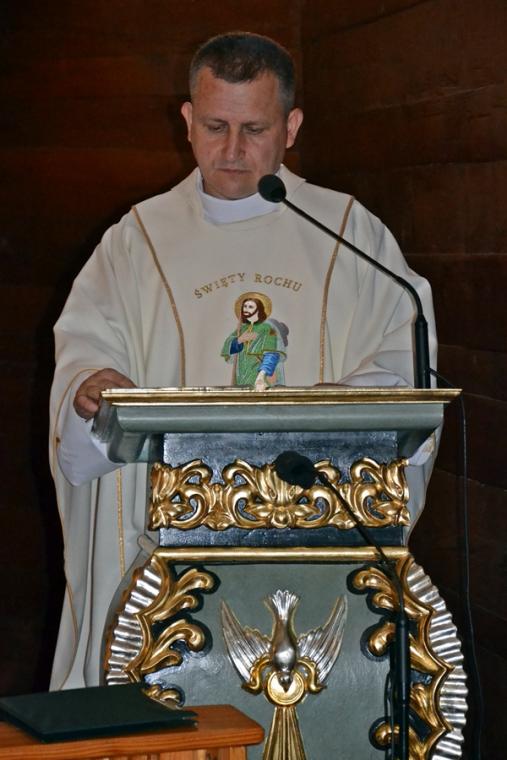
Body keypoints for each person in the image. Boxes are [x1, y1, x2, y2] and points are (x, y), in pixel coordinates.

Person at [49, 31, 437, 690]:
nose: (231, 151)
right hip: (170, 553)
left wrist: (344, 407)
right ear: (186, 120)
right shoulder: (135, 242)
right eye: (214, 126)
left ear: (291, 127)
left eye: (253, 129)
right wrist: (90, 386)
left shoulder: (348, 232)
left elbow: (405, 355)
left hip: (312, 537)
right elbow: (87, 352)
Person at [221, 292, 287, 387]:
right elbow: (228, 349)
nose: (246, 309)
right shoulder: (241, 329)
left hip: (260, 378)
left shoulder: (267, 328)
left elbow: (272, 354)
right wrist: (239, 340)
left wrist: (261, 376)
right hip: (241, 376)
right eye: (245, 306)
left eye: (250, 307)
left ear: (259, 309)